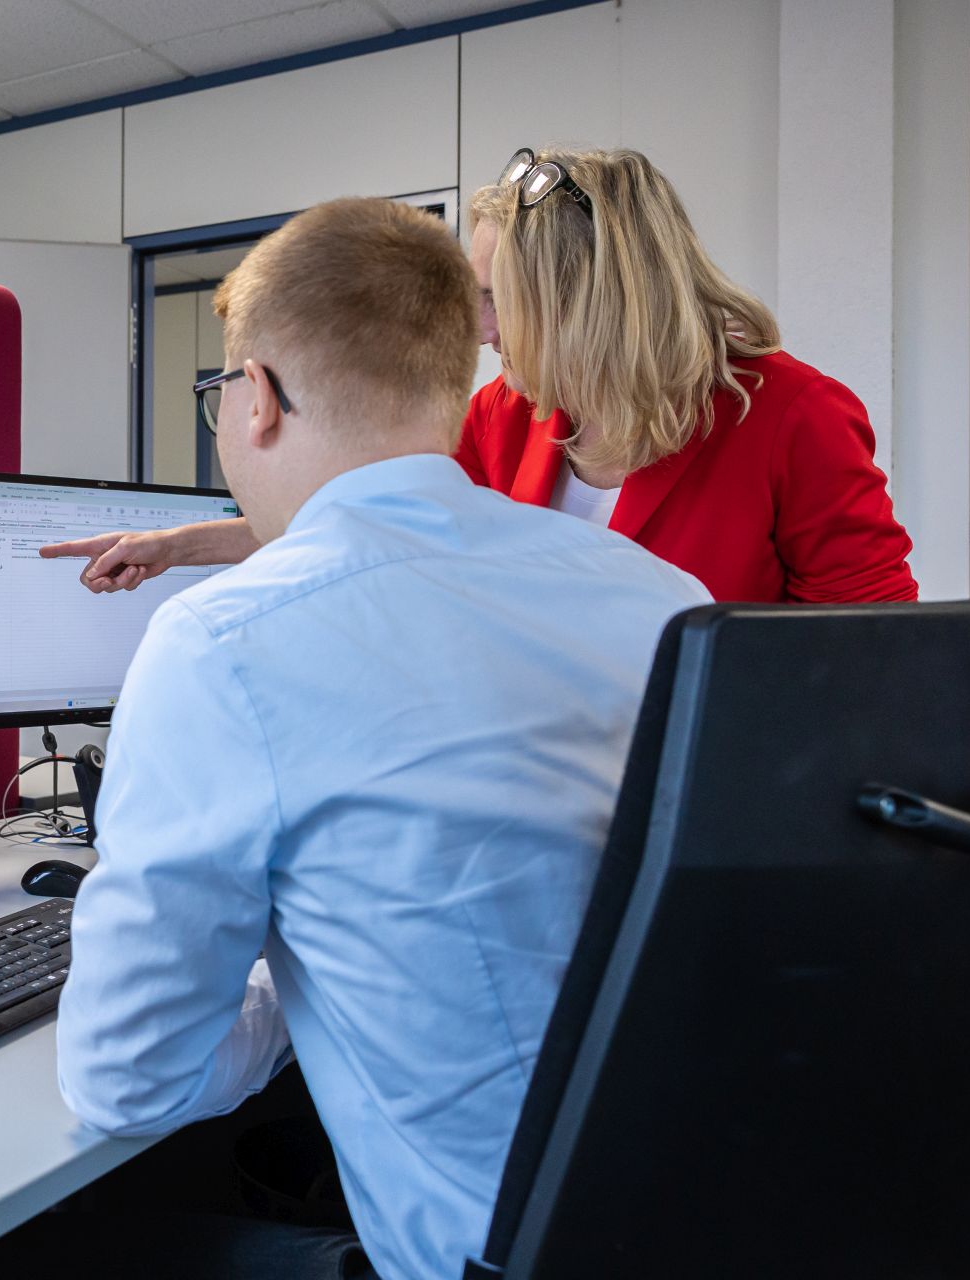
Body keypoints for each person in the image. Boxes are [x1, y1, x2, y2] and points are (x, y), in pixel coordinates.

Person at [45, 197, 710, 1280]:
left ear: (253, 398)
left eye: (220, 392)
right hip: (699, 1215)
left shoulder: (224, 639)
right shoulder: (661, 594)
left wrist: (285, 985)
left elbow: (129, 1080)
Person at [45, 147, 916, 604]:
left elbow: (864, 656)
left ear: (590, 306)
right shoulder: (504, 416)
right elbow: (364, 517)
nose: (480, 332)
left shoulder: (791, 415)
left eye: (499, 302)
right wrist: (175, 550)